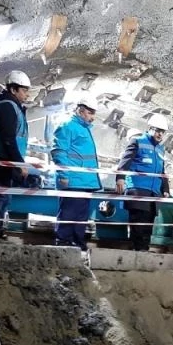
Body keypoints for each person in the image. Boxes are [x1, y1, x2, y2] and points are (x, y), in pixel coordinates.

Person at [0, 70, 31, 239]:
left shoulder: (13, 106)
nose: (27, 94)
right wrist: (20, 163)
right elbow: (8, 138)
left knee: (4, 196)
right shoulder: (7, 106)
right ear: (13, 90)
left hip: (6, 159)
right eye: (24, 90)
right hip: (0, 159)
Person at [51, 96, 102, 251]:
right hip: (73, 181)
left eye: (94, 113)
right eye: (90, 113)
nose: (93, 117)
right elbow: (59, 152)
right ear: (81, 110)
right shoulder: (68, 126)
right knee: (68, 215)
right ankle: (64, 243)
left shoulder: (84, 129)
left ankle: (78, 244)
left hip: (85, 182)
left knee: (80, 217)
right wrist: (64, 175)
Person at [115, 113, 170, 251]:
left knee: (148, 227)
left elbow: (161, 171)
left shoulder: (160, 149)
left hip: (152, 193)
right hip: (138, 189)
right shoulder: (137, 142)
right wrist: (120, 178)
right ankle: (138, 252)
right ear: (150, 128)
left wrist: (166, 189)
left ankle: (143, 252)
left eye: (162, 132)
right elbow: (125, 161)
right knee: (138, 225)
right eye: (158, 131)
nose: (160, 134)